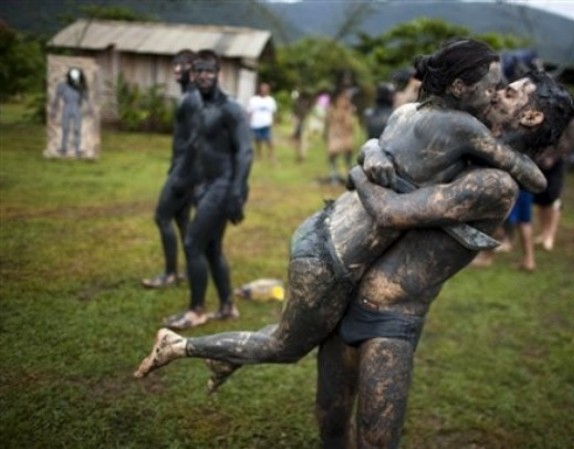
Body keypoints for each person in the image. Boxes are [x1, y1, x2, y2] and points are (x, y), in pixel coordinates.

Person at [134, 37, 545, 378]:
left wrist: (368, 154)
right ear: (459, 87)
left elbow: (373, 149)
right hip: (332, 259)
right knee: (283, 345)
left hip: (322, 227)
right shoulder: (464, 127)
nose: (495, 95)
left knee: (292, 338)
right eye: (492, 86)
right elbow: (529, 176)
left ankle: (227, 357)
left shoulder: (406, 111)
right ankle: (181, 344)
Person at [316, 70, 574, 448]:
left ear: (531, 116)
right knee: (331, 425)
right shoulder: (462, 144)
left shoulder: (494, 183)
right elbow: (393, 141)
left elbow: (390, 212)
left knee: (375, 442)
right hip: (349, 290)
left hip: (389, 321)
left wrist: (359, 171)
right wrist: (372, 147)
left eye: (511, 92)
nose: (497, 93)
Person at [162, 49, 253, 330]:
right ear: (193, 74)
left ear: (218, 74)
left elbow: (245, 152)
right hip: (206, 184)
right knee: (212, 247)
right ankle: (227, 306)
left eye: (209, 71)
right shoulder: (198, 106)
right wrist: (182, 177)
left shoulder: (231, 108)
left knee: (192, 244)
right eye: (199, 71)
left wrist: (237, 193)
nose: (204, 76)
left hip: (226, 185)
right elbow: (194, 145)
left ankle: (196, 310)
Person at [142, 49, 197, 289]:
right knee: (181, 219)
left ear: (192, 70)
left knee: (162, 216)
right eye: (175, 64)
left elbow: (196, 140)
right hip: (184, 169)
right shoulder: (188, 95)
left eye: (182, 65)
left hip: (185, 171)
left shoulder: (192, 98)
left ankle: (170, 274)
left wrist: (180, 173)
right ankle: (187, 270)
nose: (176, 69)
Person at [534, 122, 574, 251]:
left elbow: (569, 142)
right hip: (540, 163)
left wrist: (554, 157)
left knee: (554, 198)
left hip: (556, 164)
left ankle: (550, 235)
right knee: (540, 199)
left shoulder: (567, 121)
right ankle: (543, 232)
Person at [50, 67, 93, 157]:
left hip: (77, 108)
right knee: (65, 129)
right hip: (67, 107)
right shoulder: (62, 86)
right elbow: (56, 99)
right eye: (73, 74)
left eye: (77, 74)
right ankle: (63, 148)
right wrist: (53, 110)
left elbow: (87, 99)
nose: (75, 76)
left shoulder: (81, 87)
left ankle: (77, 149)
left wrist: (90, 109)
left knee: (77, 129)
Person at [324, 86, 357, 185]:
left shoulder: (348, 108)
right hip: (336, 134)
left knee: (348, 156)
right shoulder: (332, 109)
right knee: (333, 155)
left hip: (345, 134)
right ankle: (334, 174)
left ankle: (348, 175)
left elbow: (350, 123)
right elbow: (329, 120)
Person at [247, 82, 278, 163]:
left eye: (265, 89)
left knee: (269, 141)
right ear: (259, 90)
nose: (264, 90)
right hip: (255, 124)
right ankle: (259, 156)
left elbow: (274, 113)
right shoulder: (254, 100)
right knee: (258, 141)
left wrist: (274, 123)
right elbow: (249, 112)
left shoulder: (271, 100)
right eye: (262, 89)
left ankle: (271, 157)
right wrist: (247, 123)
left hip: (266, 124)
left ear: (268, 90)